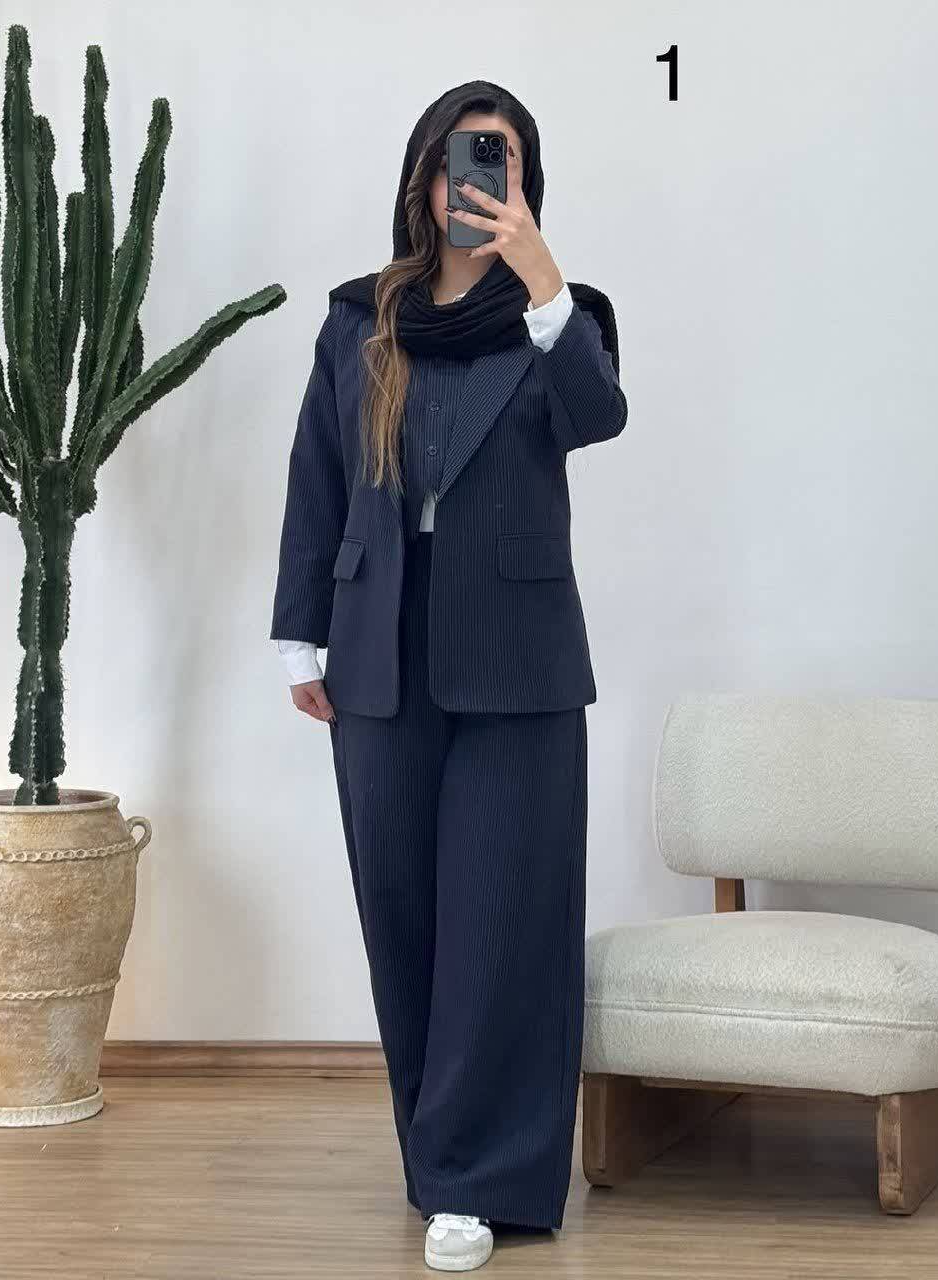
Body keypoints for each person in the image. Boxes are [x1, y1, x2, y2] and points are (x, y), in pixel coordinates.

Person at [270, 79, 627, 1272]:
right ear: (425, 178)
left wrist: (542, 277)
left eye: (502, 158)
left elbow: (596, 418)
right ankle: (439, 1164)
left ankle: (481, 1180)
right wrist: (300, 635)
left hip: (517, 656)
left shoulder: (562, 314)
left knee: (500, 919)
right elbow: (318, 474)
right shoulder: (358, 319)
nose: (477, 177)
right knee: (405, 917)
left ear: (526, 180)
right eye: (462, 158)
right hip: (378, 645)